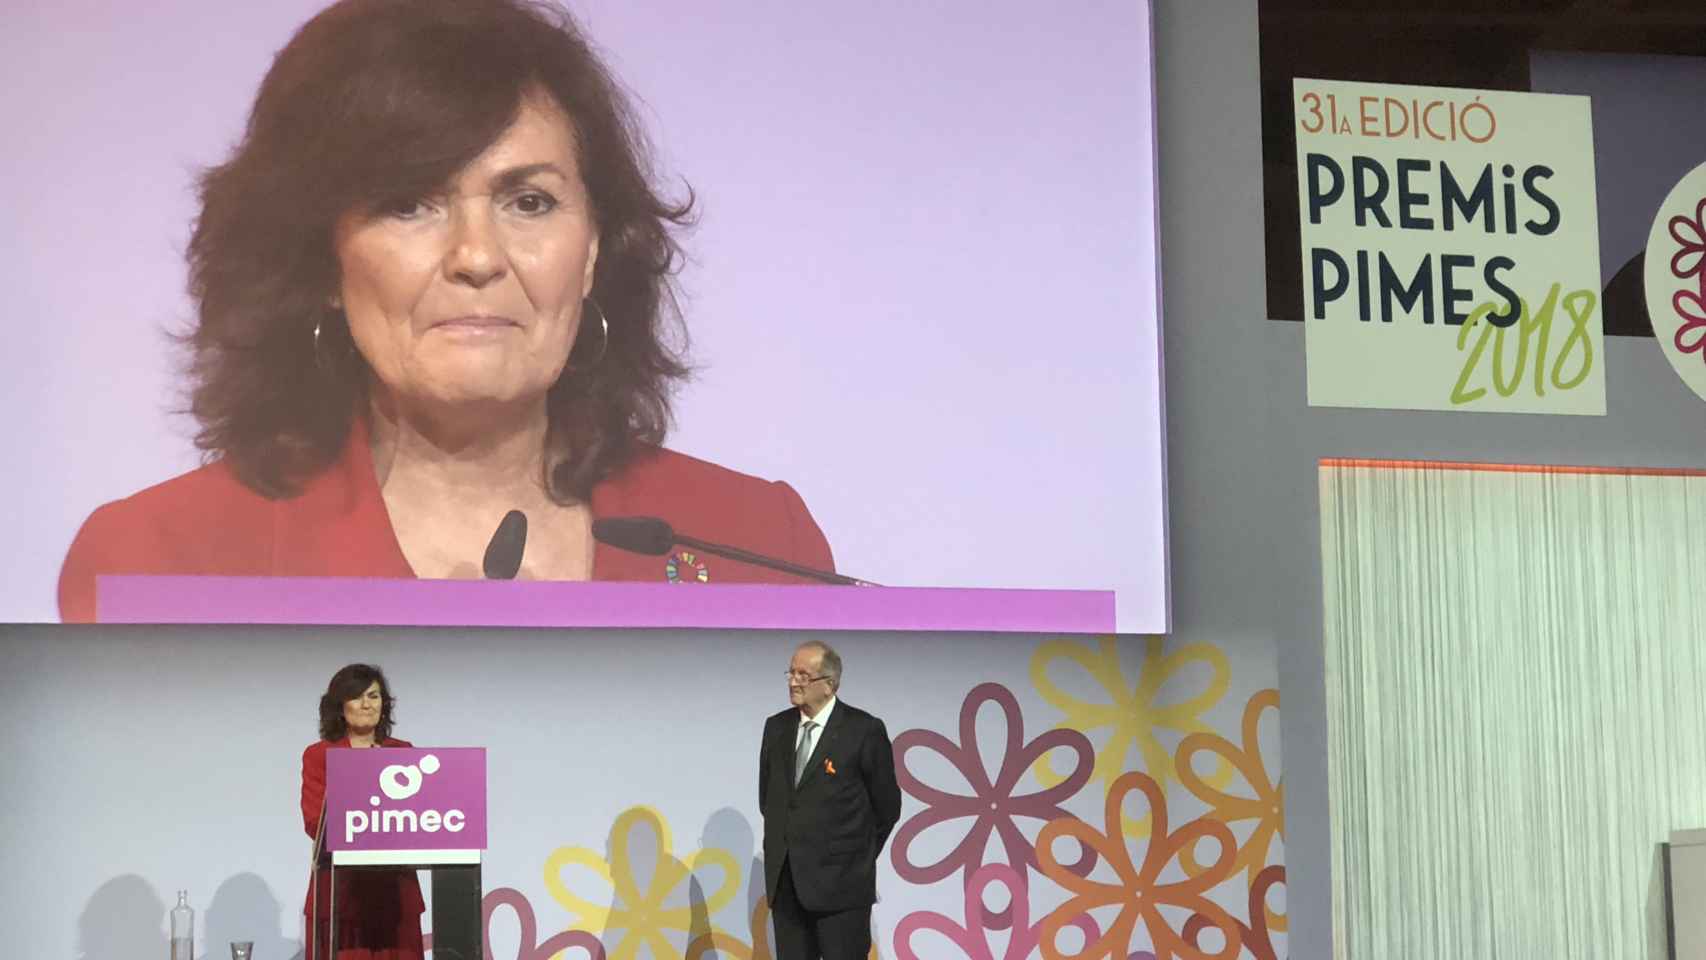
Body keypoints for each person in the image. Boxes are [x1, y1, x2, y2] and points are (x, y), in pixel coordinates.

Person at [55, 0, 835, 623]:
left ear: (595, 248)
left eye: (529, 201)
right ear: (322, 258)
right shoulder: (162, 561)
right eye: (409, 204)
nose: (476, 256)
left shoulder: (758, 543)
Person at [759, 641, 900, 960]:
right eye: (791, 672)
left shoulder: (863, 730)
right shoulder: (776, 728)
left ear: (830, 684)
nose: (794, 681)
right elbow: (769, 800)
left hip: (843, 888)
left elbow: (887, 808)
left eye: (804, 675)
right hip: (788, 885)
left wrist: (855, 857)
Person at [301, 664, 423, 960]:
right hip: (341, 895)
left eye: (374, 696)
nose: (367, 704)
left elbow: (420, 820)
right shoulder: (319, 755)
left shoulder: (403, 754)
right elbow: (314, 821)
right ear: (340, 706)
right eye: (356, 697)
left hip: (395, 895)